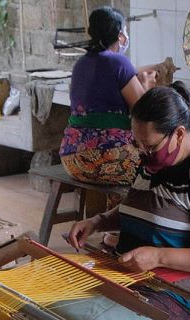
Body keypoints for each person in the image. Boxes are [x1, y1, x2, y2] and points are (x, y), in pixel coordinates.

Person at [66, 84, 190, 320]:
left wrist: (159, 257)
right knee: (64, 312)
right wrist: (98, 222)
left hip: (184, 297)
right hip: (136, 278)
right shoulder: (153, 162)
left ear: (179, 133)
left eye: (149, 146)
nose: (142, 153)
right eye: (137, 144)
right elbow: (141, 206)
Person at [59, 6, 148, 186]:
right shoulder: (119, 62)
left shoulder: (80, 64)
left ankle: (109, 213)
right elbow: (143, 110)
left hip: (71, 160)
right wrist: (145, 84)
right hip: (105, 159)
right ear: (119, 35)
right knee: (158, 167)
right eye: (125, 31)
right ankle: (124, 214)